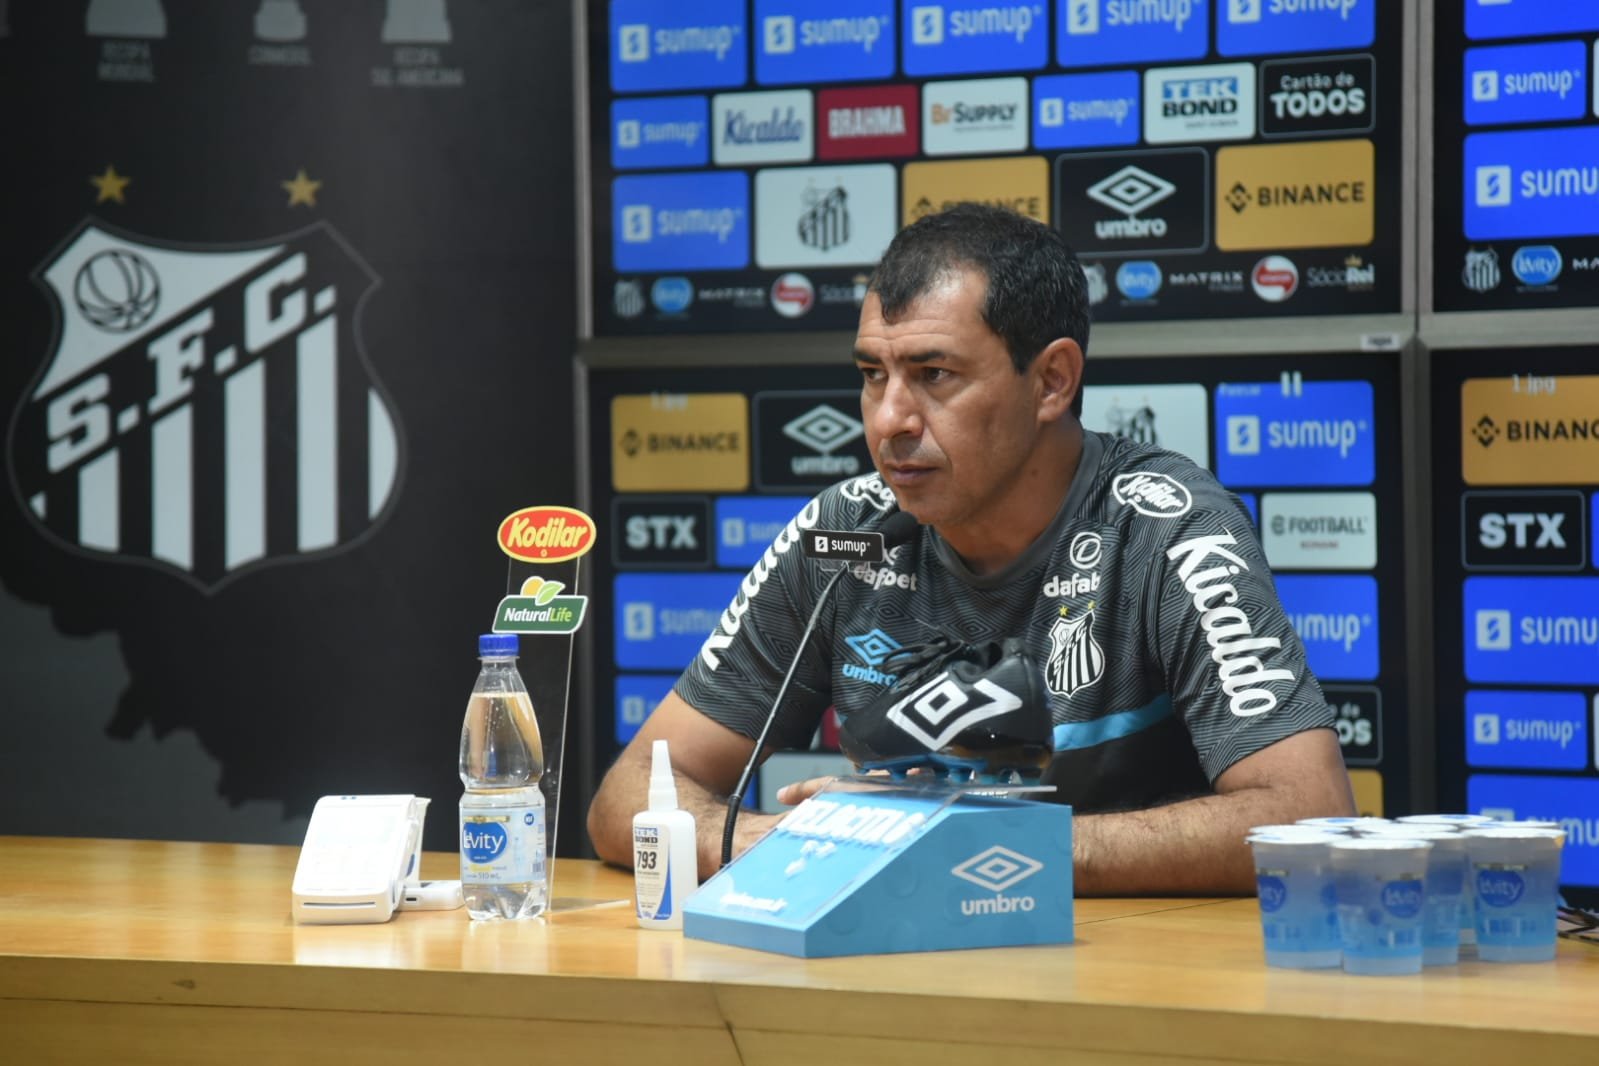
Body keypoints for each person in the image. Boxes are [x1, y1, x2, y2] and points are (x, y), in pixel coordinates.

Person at [587, 203, 1354, 894]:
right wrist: (759, 839)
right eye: (872, 375)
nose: (888, 420)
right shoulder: (846, 533)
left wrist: (967, 842)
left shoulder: (1166, 527)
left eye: (933, 375)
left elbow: (1305, 813)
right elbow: (628, 795)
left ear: (1051, 381)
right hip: (899, 960)